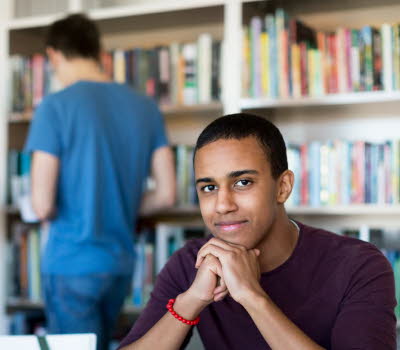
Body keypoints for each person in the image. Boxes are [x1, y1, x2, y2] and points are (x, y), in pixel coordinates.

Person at [118, 113, 396, 350]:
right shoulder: (192, 262)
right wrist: (190, 302)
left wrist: (252, 296)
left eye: (242, 182)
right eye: (209, 188)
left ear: (283, 187)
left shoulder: (360, 265)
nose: (223, 205)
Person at [24, 14, 175, 350]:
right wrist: (117, 203)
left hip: (71, 263)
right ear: (98, 51)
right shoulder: (144, 107)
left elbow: (42, 203)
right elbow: (166, 194)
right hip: (119, 264)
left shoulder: (54, 107)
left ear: (54, 56)